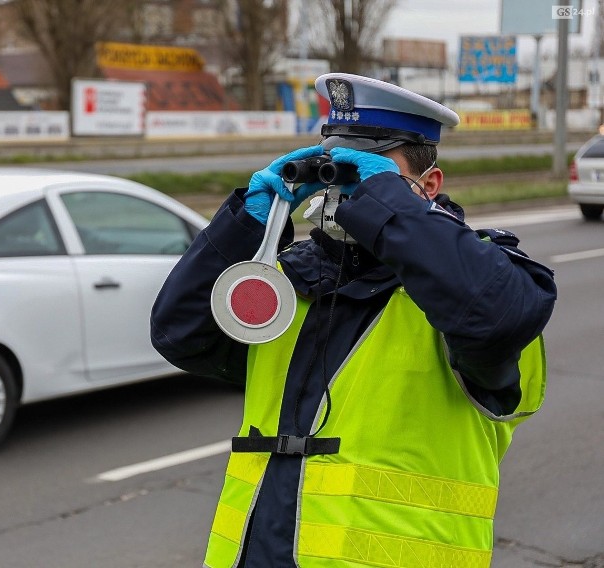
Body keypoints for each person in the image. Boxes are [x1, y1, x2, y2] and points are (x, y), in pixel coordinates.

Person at [150, 73, 557, 568]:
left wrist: (387, 207)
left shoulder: (479, 281)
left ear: (427, 186)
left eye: (367, 175)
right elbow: (180, 333)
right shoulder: (296, 282)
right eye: (334, 170)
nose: (344, 191)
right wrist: (251, 218)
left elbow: (495, 317)